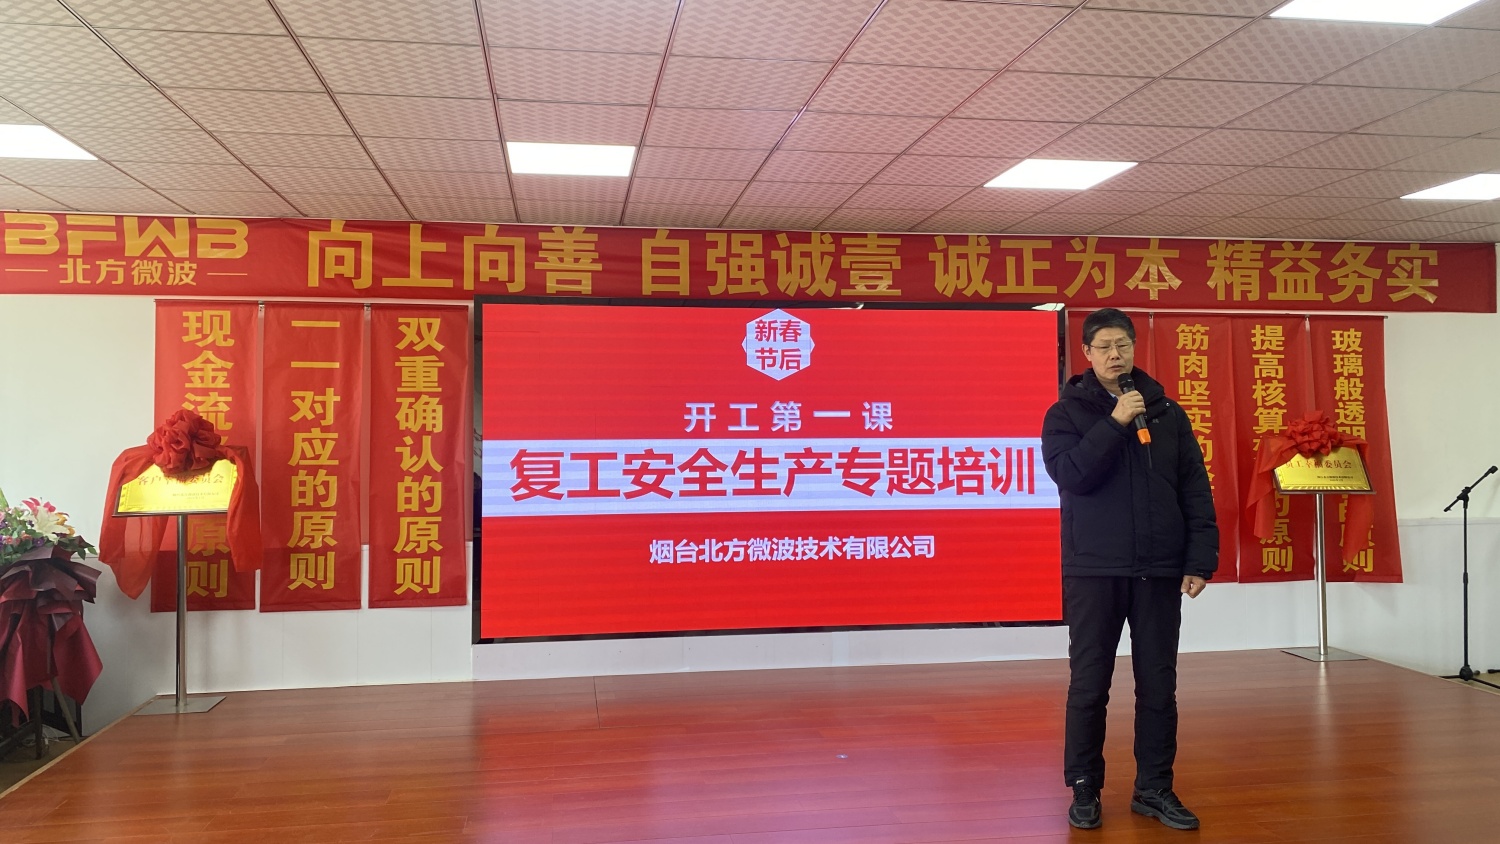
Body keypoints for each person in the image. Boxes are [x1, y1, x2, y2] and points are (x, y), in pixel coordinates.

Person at [1040, 308, 1218, 831]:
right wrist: (1114, 423)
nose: (1115, 355)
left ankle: (1154, 787)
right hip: (1094, 569)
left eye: (1122, 345)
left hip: (1159, 570)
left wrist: (1199, 559)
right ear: (1087, 354)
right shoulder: (1065, 414)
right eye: (1104, 347)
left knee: (1158, 684)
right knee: (1089, 683)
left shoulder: (1166, 413)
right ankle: (1084, 785)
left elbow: (1194, 488)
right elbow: (1070, 475)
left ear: (1134, 349)